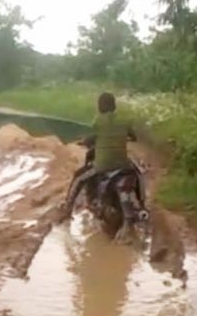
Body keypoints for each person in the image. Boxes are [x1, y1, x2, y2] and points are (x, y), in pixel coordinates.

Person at [59, 93, 138, 231]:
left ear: (100, 107)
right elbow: (133, 137)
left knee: (78, 177)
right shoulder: (125, 120)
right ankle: (141, 204)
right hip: (123, 165)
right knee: (138, 173)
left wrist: (83, 141)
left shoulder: (98, 121)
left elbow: (90, 138)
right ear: (114, 106)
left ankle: (67, 210)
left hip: (102, 165)